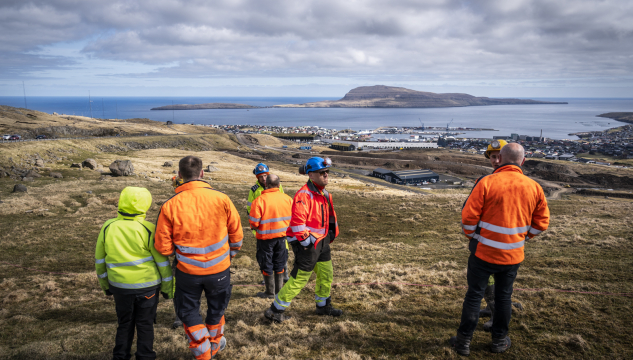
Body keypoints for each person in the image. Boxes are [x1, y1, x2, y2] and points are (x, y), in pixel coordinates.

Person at [450, 143, 550, 355]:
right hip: (513, 254)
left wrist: (473, 237)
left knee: (474, 296)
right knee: (504, 297)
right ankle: (499, 341)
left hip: (482, 253)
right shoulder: (535, 187)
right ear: (522, 161)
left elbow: (468, 217)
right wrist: (524, 237)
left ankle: (463, 342)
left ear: (501, 159)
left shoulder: (486, 182)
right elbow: (542, 223)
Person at [155, 156, 243, 360]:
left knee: (189, 311)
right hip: (220, 269)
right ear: (202, 174)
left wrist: (179, 253)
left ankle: (203, 351)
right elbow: (237, 236)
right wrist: (229, 254)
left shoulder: (170, 205)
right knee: (217, 308)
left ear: (179, 176)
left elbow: (163, 247)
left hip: (187, 272)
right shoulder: (222, 199)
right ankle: (213, 345)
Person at [95, 186, 174, 360]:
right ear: (146, 205)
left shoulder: (108, 227)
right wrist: (168, 289)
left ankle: (120, 356)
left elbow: (100, 262)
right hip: (148, 288)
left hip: (119, 287)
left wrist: (106, 287)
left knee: (124, 323)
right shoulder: (149, 229)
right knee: (145, 324)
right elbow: (163, 264)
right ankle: (145, 356)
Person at [264, 157, 342, 323]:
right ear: (311, 175)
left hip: (322, 242)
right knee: (299, 279)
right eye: (322, 173)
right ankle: (274, 311)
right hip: (309, 244)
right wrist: (307, 244)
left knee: (326, 274)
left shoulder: (323, 193)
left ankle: (323, 306)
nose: (326, 175)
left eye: (327, 172)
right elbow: (298, 223)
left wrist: (327, 238)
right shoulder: (304, 195)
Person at [248, 174, 293, 298]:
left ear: (266, 185)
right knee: (280, 263)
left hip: (265, 239)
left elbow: (254, 222)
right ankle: (279, 291)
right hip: (282, 239)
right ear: (279, 185)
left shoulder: (259, 201)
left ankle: (269, 292)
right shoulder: (288, 199)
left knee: (266, 263)